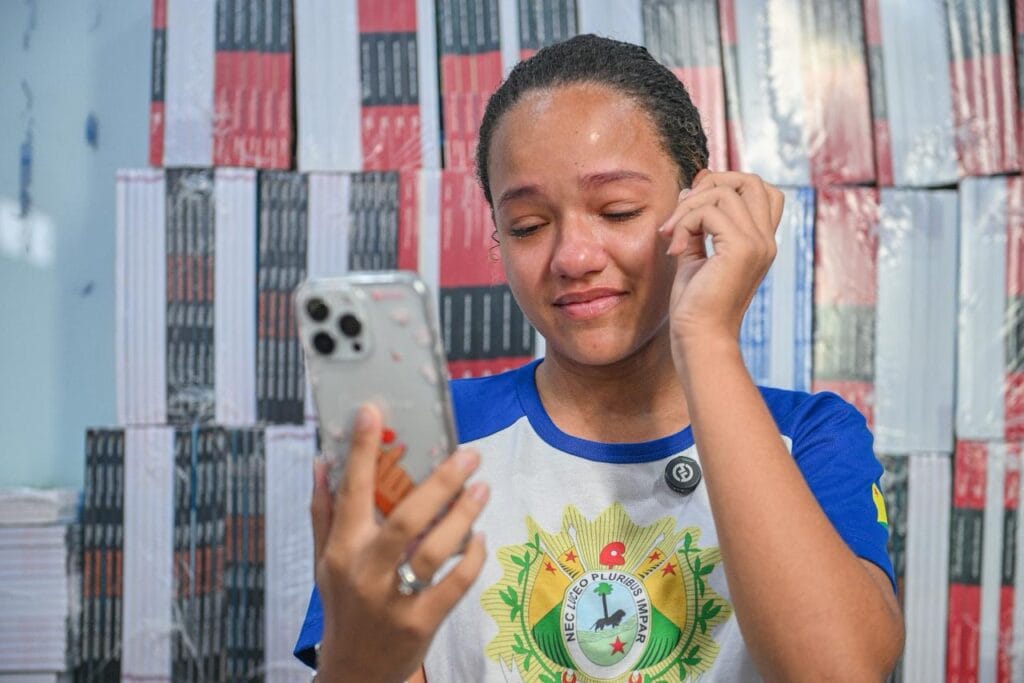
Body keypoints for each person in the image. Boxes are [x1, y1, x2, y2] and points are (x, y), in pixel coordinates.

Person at [295, 34, 904, 681]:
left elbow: (839, 671)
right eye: (529, 224)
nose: (573, 257)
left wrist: (706, 338)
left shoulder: (809, 436)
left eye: (617, 210)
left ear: (699, 200)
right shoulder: (429, 440)